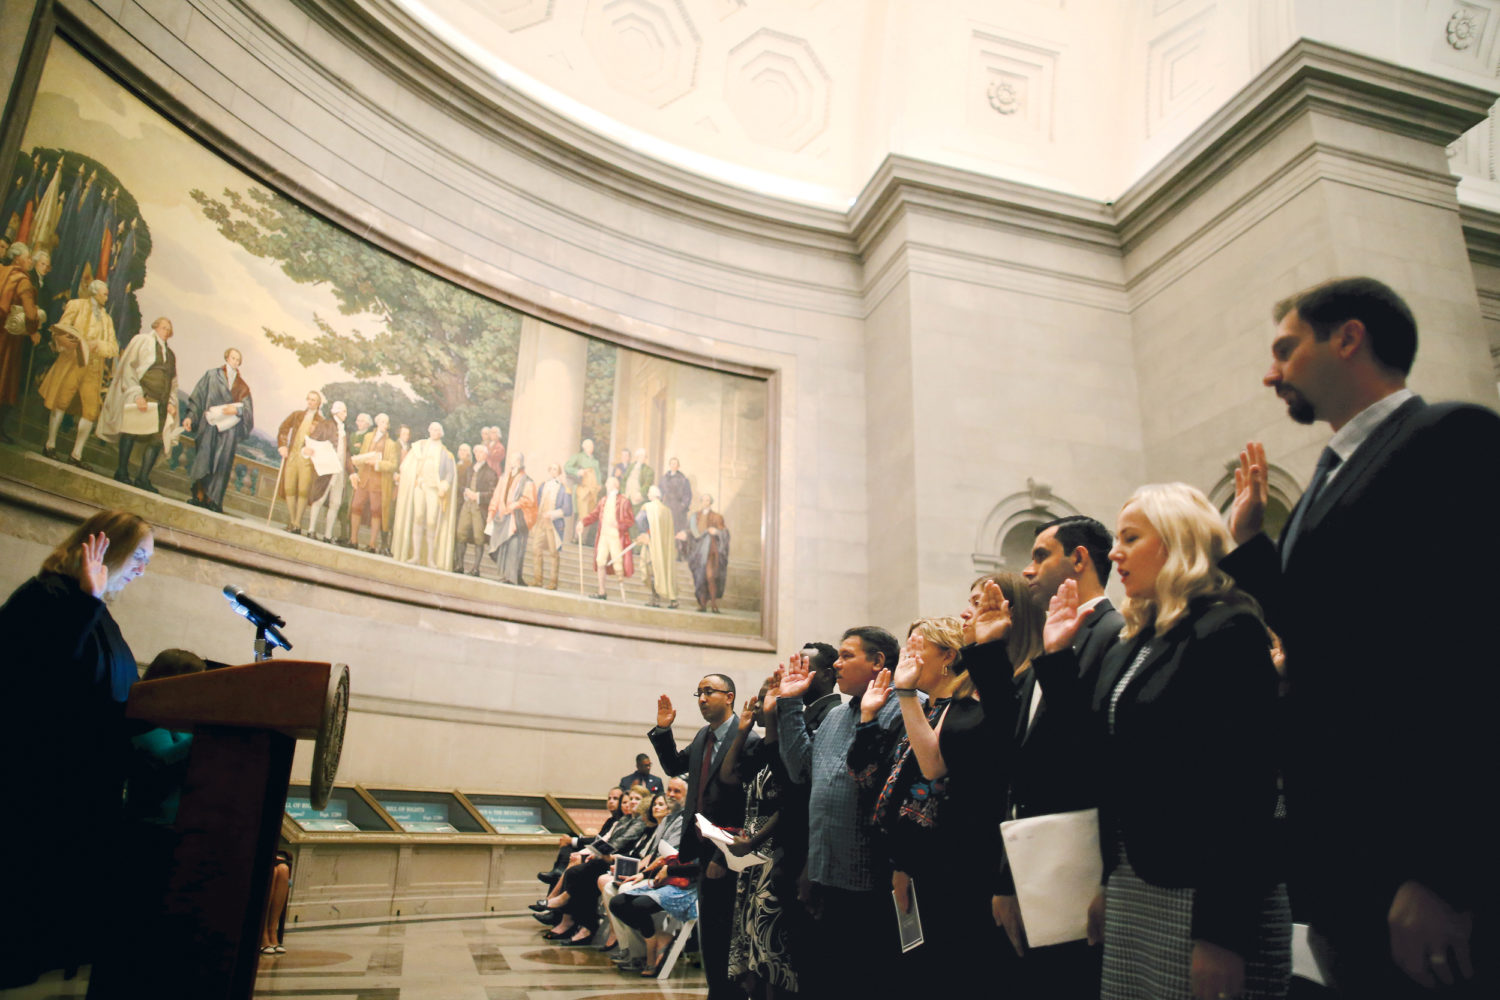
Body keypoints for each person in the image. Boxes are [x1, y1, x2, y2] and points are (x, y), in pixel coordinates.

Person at [1223, 277, 1498, 997]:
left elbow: (1470, 658)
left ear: (1348, 338)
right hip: (1344, 863)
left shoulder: (1450, 436)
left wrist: (1442, 870)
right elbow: (1325, 636)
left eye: (1286, 349)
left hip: (1417, 867)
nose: (1271, 373)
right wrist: (1251, 548)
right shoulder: (1325, 478)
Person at [1046, 483, 1290, 1000]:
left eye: (1130, 538)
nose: (1115, 553)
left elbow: (1243, 789)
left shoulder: (1227, 627)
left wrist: (1222, 934)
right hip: (1135, 882)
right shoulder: (1133, 640)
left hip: (1208, 895)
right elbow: (1095, 756)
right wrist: (1058, 658)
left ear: (1179, 541)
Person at [0, 510, 154, 986]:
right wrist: (86, 600)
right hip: (40, 783)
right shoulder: (47, 595)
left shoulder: (98, 611)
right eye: (139, 556)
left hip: (85, 785)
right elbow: (34, 676)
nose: (143, 569)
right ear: (106, 548)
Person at [853, 611, 1023, 988]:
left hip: (943, 864)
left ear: (948, 655)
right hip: (903, 860)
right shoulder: (923, 710)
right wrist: (868, 717)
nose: (908, 656)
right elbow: (872, 777)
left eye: (919, 647)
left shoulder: (966, 710)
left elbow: (932, 780)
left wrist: (904, 861)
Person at [996, 516, 1124, 997]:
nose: (1028, 570)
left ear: (1079, 558)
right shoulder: (1050, 644)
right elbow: (1016, 758)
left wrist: (1108, 880)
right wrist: (1007, 877)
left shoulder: (1114, 633)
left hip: (1079, 866)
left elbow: (1093, 758)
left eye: (1040, 556)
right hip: (1033, 860)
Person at [776, 627, 907, 995]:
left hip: (873, 876)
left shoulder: (905, 709)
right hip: (826, 871)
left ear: (877, 661)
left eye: (847, 655)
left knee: (865, 981)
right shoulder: (835, 715)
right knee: (825, 978)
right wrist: (789, 704)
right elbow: (801, 770)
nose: (837, 663)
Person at [649, 674, 752, 1000]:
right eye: (699, 693)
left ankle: (729, 993)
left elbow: (747, 806)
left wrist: (724, 854)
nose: (702, 699)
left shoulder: (748, 738)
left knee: (730, 933)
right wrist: (663, 731)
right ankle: (716, 992)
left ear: (730, 696)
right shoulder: (703, 736)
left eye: (709, 692)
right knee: (712, 932)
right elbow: (673, 766)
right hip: (701, 850)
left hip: (731, 854)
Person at [721, 677, 808, 998]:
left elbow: (789, 804)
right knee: (748, 938)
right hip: (752, 853)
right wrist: (742, 731)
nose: (756, 706)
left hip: (773, 850)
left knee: (768, 941)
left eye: (763, 700)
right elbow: (729, 776)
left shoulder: (790, 746)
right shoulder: (759, 747)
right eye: (758, 700)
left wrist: (754, 842)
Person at [40, 279, 118, 467]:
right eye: (104, 294)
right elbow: (61, 329)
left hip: (93, 369)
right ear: (95, 293)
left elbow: (113, 347)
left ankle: (76, 454)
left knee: (90, 411)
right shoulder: (76, 305)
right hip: (72, 363)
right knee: (61, 401)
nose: (106, 298)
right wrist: (72, 342)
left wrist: (97, 345)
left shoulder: (107, 319)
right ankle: (50, 445)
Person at [96, 316, 179, 492]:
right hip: (144, 396)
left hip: (161, 403)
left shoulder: (171, 355)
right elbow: (129, 368)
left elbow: (173, 382)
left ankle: (142, 478)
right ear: (155, 327)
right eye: (163, 327)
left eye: (169, 329)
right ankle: (121, 471)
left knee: (157, 440)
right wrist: (136, 395)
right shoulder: (143, 341)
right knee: (131, 432)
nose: (166, 331)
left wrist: (171, 402)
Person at [183, 348, 253, 513]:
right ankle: (199, 495)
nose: (235, 361)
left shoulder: (242, 386)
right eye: (233, 358)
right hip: (209, 425)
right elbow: (198, 398)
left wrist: (237, 410)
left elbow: (248, 411)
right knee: (204, 460)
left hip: (228, 431)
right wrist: (190, 417)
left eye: (238, 359)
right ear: (227, 358)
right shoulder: (212, 375)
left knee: (222, 465)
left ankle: (213, 500)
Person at [392, 421, 457, 568]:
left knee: (431, 521)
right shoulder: (420, 446)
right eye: (432, 429)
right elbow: (408, 465)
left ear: (441, 433)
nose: (434, 432)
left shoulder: (445, 453)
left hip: (434, 489)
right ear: (429, 431)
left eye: (437, 430)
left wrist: (444, 486)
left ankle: (430, 559)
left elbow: (449, 473)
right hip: (420, 486)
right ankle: (415, 555)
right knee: (418, 517)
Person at [0, 242, 42, 443]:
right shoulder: (23, 281)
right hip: (8, 338)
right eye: (27, 258)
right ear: (18, 259)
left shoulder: (2, 271)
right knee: (5, 382)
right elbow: (31, 315)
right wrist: (34, 329)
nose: (30, 261)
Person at [347, 412, 399, 552]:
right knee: (356, 506)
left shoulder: (391, 444)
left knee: (376, 511)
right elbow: (363, 455)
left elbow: (393, 465)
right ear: (377, 422)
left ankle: (372, 544)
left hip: (378, 482)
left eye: (386, 423)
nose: (384, 425)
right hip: (364, 479)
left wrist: (377, 464)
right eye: (382, 422)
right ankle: (353, 540)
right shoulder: (368, 437)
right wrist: (358, 462)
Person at [577, 475, 634, 599]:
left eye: (608, 483)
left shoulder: (624, 501)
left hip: (616, 537)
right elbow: (594, 515)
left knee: (618, 564)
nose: (606, 485)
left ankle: (623, 596)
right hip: (603, 536)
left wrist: (619, 524)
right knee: (600, 561)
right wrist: (582, 522)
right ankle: (602, 592)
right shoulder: (603, 500)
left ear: (615, 485)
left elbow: (630, 520)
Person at [276, 390, 324, 533]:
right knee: (289, 487)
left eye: (313, 400)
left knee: (303, 490)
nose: (310, 402)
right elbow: (283, 428)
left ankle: (297, 523)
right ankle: (293, 522)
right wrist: (283, 445)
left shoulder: (321, 421)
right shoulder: (297, 415)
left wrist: (313, 449)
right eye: (309, 399)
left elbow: (323, 442)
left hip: (307, 461)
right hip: (292, 456)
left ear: (318, 403)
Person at [486, 450, 536, 584]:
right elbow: (497, 496)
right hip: (503, 517)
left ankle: (512, 577)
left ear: (519, 462)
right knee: (503, 547)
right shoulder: (504, 477)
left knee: (514, 548)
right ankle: (506, 575)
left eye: (513, 459)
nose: (511, 462)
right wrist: (491, 512)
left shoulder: (527, 481)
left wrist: (515, 505)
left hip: (517, 519)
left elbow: (529, 499)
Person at [305, 400, 352, 542]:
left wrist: (352, 472)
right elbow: (311, 441)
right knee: (319, 498)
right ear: (336, 411)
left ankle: (327, 535)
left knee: (335, 503)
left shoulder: (344, 430)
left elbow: (346, 453)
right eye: (343, 411)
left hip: (340, 471)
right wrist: (307, 450)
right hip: (327, 468)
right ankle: (311, 530)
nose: (346, 414)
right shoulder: (325, 425)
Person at [452, 443, 498, 574]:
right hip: (466, 506)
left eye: (481, 452)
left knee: (479, 537)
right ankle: (460, 565)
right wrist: (465, 491)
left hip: (479, 508)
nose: (478, 454)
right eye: (476, 452)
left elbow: (492, 494)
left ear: (486, 455)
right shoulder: (469, 469)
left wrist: (477, 495)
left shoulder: (491, 473)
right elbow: (460, 485)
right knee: (461, 533)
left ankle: (476, 568)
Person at [529, 462, 572, 588]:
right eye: (551, 469)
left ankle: (553, 582)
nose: (553, 471)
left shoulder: (564, 489)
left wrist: (552, 514)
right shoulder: (543, 485)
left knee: (553, 553)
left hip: (554, 525)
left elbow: (567, 510)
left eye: (556, 469)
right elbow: (536, 503)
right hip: (541, 523)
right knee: (536, 549)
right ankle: (538, 580)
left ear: (559, 472)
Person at [634, 483, 678, 607]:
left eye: (649, 493)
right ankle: (673, 600)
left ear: (652, 495)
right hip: (664, 547)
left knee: (652, 570)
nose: (648, 495)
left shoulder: (648, 507)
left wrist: (644, 533)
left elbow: (639, 520)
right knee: (664, 570)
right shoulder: (667, 511)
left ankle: (655, 599)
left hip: (652, 544)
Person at [685, 493, 730, 612]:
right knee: (700, 577)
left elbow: (724, 532)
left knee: (710, 577)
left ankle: (714, 604)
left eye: (708, 500)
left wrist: (716, 532)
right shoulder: (695, 517)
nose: (706, 502)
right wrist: (685, 534)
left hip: (710, 551)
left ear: (711, 502)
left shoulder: (717, 517)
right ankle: (702, 604)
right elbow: (691, 532)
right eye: (704, 500)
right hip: (698, 552)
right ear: (701, 502)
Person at [564, 437, 602, 544]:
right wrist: (577, 471)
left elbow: (598, 475)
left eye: (592, 446)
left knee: (589, 515)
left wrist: (599, 485)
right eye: (589, 446)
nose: (591, 448)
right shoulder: (578, 457)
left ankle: (583, 539)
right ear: (584, 447)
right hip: (583, 489)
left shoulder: (595, 461)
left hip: (593, 491)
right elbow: (567, 467)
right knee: (582, 514)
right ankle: (577, 537)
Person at [660, 457, 692, 560]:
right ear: (669, 465)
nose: (673, 465)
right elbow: (660, 492)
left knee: (677, 530)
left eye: (675, 464)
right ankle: (665, 553)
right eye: (672, 463)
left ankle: (678, 554)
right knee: (665, 529)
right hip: (666, 506)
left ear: (678, 466)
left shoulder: (683, 479)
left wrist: (683, 506)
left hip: (678, 509)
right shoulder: (664, 478)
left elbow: (687, 495)